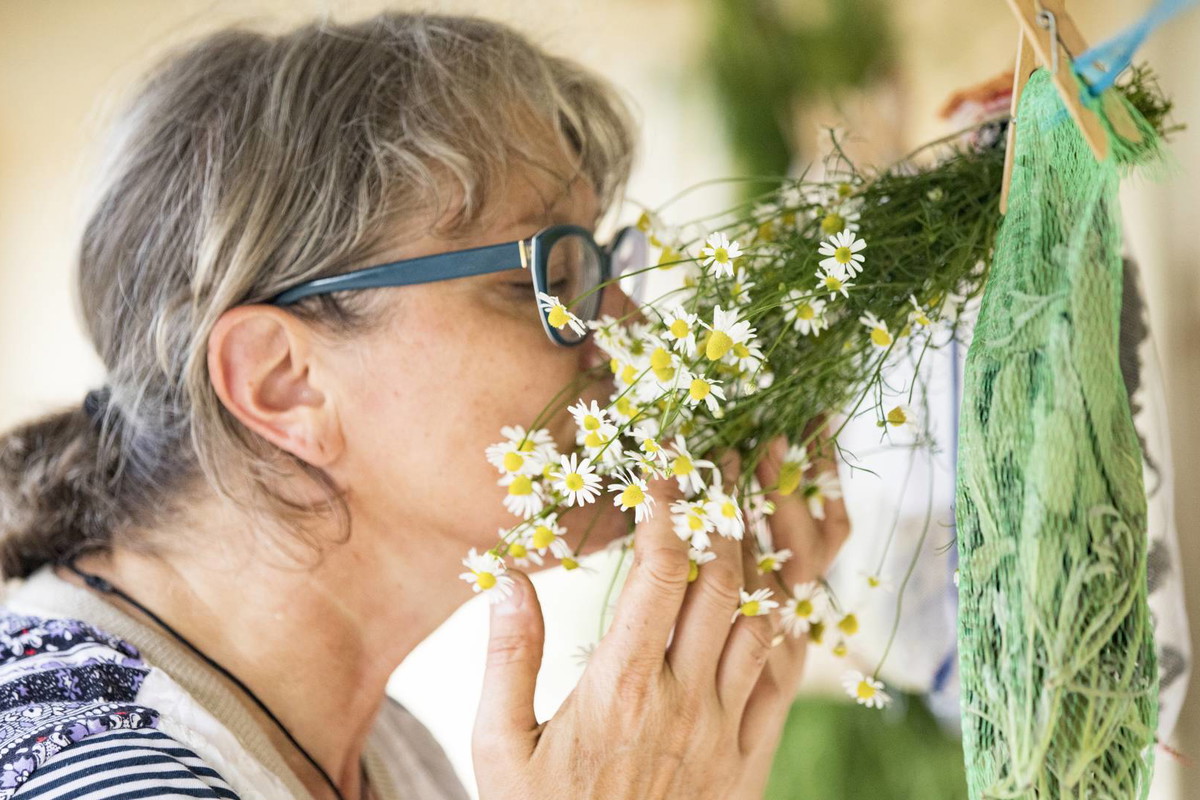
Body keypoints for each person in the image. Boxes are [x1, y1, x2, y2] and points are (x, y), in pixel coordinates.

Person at [0, 11, 850, 800]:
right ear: (283, 382)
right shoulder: (89, 772)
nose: (624, 329)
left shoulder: (386, 758)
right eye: (546, 281)